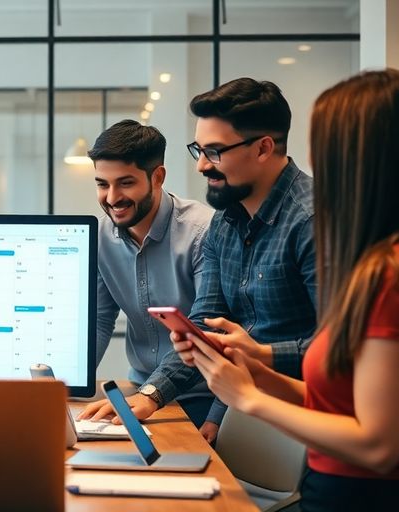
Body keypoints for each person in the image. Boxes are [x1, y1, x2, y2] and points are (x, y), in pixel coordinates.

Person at [175, 68, 399, 512]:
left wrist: (248, 399)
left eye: (326, 150)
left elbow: (377, 444)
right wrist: (260, 375)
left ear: (362, 163)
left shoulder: (395, 275)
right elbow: (346, 407)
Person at [158, 78, 317, 443]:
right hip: (244, 410)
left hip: (311, 424)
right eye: (197, 150)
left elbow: (339, 348)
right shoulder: (224, 220)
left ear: (263, 148)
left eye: (214, 151)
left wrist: (261, 354)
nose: (201, 166)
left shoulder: (312, 222)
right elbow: (208, 322)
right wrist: (153, 396)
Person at [70, 120, 215, 427]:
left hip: (202, 398)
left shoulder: (204, 232)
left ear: (157, 177)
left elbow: (208, 328)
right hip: (139, 393)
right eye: (102, 184)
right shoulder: (102, 237)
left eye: (125, 183)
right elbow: (98, 322)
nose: (111, 198)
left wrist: (218, 418)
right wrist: (65, 388)